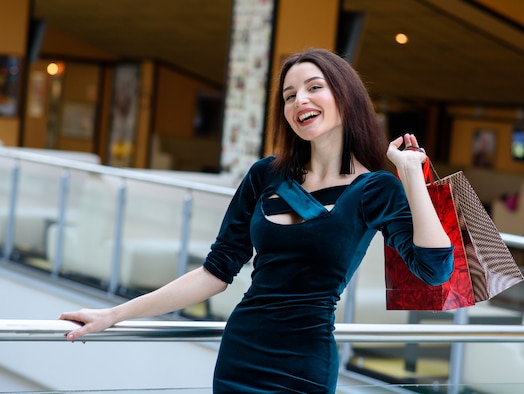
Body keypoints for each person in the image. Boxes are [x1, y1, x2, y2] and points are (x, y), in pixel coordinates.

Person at [60, 48, 454, 393]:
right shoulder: (266, 175)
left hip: (304, 366)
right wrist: (114, 314)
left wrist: (410, 174)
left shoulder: (375, 189)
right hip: (240, 355)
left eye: (314, 87)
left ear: (345, 97)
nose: (300, 100)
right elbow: (215, 272)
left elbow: (435, 271)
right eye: (289, 95)